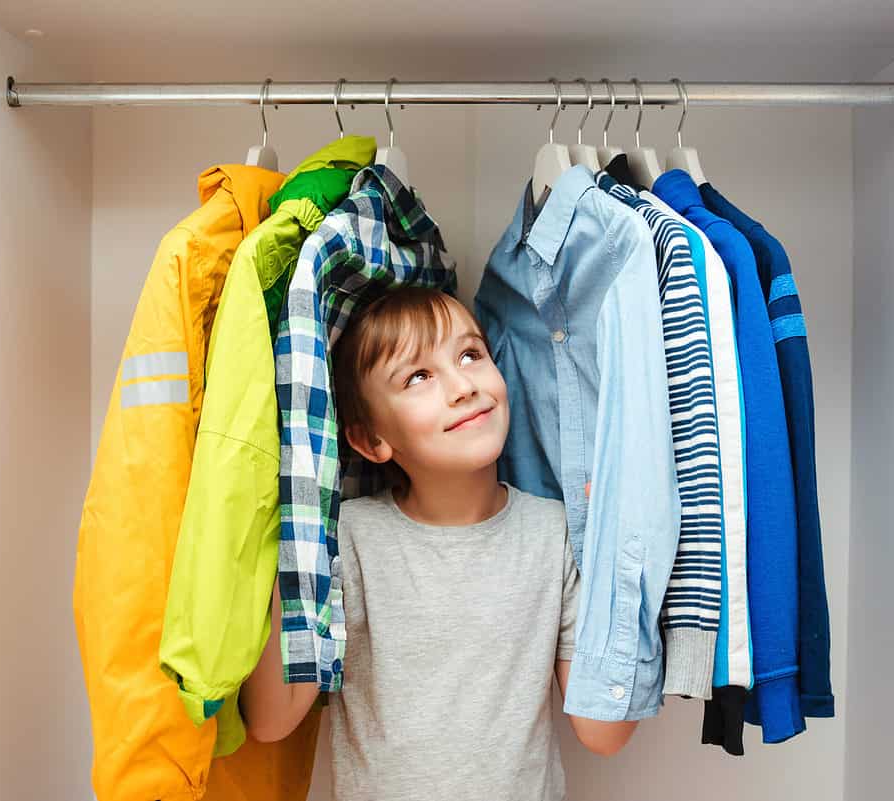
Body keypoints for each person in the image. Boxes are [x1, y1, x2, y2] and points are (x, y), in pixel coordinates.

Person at [240, 287, 637, 801]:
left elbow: (602, 732)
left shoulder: (555, 533)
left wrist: (625, 548)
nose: (462, 386)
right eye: (418, 377)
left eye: (470, 355)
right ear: (371, 441)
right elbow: (270, 720)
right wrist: (299, 528)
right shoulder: (347, 539)